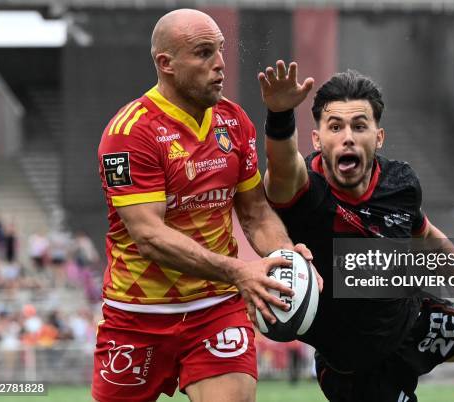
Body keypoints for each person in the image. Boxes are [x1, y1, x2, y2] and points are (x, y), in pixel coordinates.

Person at [259, 64, 454, 401]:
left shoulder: (400, 183)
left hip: (414, 319)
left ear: (378, 137)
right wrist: (279, 115)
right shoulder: (303, 188)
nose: (347, 136)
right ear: (317, 138)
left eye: (359, 126)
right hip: (354, 367)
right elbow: (281, 167)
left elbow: (428, 240)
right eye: (335, 127)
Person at [94, 10, 319, 402]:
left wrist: (286, 259)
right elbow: (149, 236)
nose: (219, 64)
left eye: (220, 50)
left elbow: (256, 213)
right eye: (203, 53)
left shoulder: (233, 121)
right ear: (166, 63)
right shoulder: (130, 134)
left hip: (216, 308)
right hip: (137, 315)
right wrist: (238, 271)